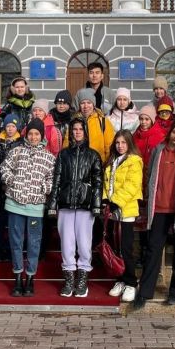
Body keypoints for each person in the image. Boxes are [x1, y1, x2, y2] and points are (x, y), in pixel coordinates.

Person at [133, 120, 175, 310]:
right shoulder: (159, 149)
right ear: (169, 132)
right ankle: (145, 292)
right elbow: (150, 175)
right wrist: (148, 197)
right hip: (159, 209)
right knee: (153, 251)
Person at [0, 118, 56, 298]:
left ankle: (30, 277)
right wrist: (12, 181)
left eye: (36, 134)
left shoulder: (49, 157)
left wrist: (43, 188)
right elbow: (4, 169)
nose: (33, 137)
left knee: (33, 242)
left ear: (42, 136)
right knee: (16, 241)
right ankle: (17, 276)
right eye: (30, 133)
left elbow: (52, 178)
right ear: (26, 134)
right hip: (15, 204)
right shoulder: (16, 151)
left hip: (35, 206)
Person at [48, 117, 102, 298]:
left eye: (80, 129)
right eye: (74, 129)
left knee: (84, 244)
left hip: (85, 205)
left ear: (85, 132)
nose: (77, 132)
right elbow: (56, 179)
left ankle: (82, 280)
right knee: (67, 244)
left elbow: (98, 182)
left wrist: (96, 205)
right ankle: (69, 280)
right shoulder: (63, 154)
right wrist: (53, 204)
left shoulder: (93, 155)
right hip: (65, 205)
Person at [103, 130, 143, 303]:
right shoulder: (112, 160)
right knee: (115, 248)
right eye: (118, 142)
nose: (120, 146)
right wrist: (105, 200)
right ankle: (119, 279)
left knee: (125, 248)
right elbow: (107, 184)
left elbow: (132, 185)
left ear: (129, 144)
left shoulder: (134, 161)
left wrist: (116, 202)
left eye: (124, 143)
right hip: (112, 212)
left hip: (125, 211)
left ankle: (131, 282)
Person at [132, 105, 167, 266]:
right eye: (141, 119)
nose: (143, 122)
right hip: (138, 181)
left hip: (153, 181)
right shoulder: (136, 135)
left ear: (152, 120)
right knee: (140, 221)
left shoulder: (159, 136)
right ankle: (142, 252)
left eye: (147, 119)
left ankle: (150, 255)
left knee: (151, 221)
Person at [0, 113, 23, 262]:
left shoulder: (21, 144)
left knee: (14, 222)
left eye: (13, 126)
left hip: (15, 187)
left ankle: (13, 250)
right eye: (8, 126)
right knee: (1, 220)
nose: (10, 129)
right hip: (1, 188)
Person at [66, 89, 115, 165]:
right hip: (77, 165)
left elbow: (109, 147)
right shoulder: (73, 122)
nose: (86, 106)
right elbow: (66, 144)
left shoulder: (103, 121)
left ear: (93, 104)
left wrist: (107, 165)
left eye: (89, 103)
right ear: (79, 105)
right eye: (83, 103)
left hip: (98, 165)